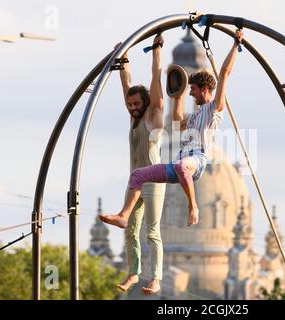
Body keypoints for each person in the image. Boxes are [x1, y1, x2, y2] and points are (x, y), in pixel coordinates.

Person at [99, 29, 243, 232]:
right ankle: (123, 216)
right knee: (138, 175)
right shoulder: (194, 117)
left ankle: (193, 208)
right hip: (178, 163)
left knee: (183, 166)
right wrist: (178, 92)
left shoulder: (214, 109)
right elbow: (176, 120)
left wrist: (235, 45)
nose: (191, 93)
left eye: (192, 89)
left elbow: (224, 73)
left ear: (205, 89)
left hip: (196, 161)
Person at [112, 34, 166, 296]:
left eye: (135, 103)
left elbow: (156, 82)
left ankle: (155, 278)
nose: (131, 107)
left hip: (153, 180)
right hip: (134, 181)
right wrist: (123, 59)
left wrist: (156, 51)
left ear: (144, 103)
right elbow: (127, 84)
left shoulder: (153, 116)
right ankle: (133, 273)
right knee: (129, 228)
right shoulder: (133, 118)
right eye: (129, 104)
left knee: (151, 231)